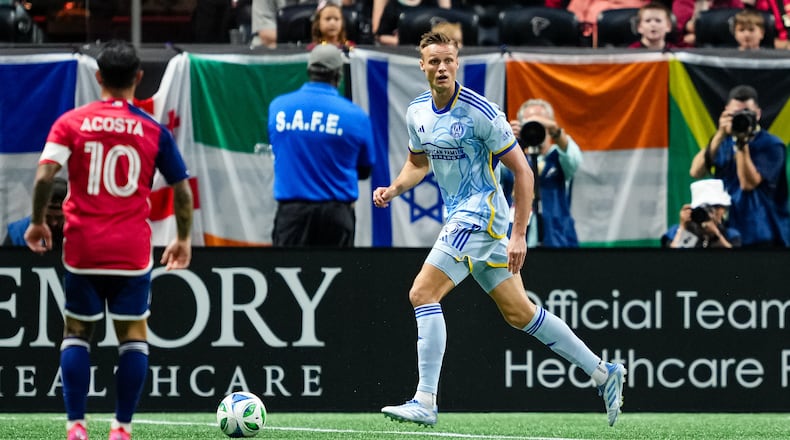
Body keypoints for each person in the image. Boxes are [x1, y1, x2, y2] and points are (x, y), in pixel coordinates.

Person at [374, 31, 626, 428]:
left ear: (458, 63)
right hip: (462, 215)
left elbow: (522, 171)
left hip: (482, 214)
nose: (442, 68)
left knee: (422, 292)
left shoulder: (480, 111)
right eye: (434, 62)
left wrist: (519, 233)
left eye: (448, 61)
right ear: (421, 66)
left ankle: (425, 400)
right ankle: (601, 372)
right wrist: (394, 188)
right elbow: (418, 164)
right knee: (519, 313)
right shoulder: (417, 111)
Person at [24, 40, 194, 440]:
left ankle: (76, 426)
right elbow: (182, 191)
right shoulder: (153, 130)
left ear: (99, 77)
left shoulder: (71, 122)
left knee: (77, 333)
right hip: (130, 249)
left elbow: (45, 177)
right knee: (133, 337)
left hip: (83, 247)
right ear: (138, 78)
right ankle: (121, 427)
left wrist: (37, 222)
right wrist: (183, 238)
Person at [268, 44, 376, 247]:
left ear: (309, 71)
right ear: (338, 75)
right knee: (337, 277)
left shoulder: (278, 108)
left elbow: (279, 151)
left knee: (287, 276)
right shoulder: (356, 116)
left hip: (292, 216)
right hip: (336, 217)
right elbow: (364, 169)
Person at [689, 84, 790, 247]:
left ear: (758, 114)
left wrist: (741, 142)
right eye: (736, 114)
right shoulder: (723, 142)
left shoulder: (772, 145)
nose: (741, 118)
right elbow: (695, 171)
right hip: (729, 229)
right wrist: (720, 134)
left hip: (763, 233)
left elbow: (748, 184)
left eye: (747, 113)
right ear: (726, 112)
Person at [502, 99, 582, 247]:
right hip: (514, 242)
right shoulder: (510, 160)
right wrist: (504, 140)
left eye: (540, 124)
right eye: (529, 124)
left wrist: (556, 131)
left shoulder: (558, 156)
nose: (535, 129)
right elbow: (490, 171)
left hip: (558, 239)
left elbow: (574, 160)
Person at [662, 179, 742, 248]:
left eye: (715, 207)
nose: (710, 213)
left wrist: (716, 235)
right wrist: (683, 228)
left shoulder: (731, 235)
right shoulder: (676, 232)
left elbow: (736, 261)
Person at [4, 177, 67, 247]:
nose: (53, 223)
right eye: (47, 217)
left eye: (59, 218)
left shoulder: (80, 233)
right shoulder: (18, 233)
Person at [375, 0, 451, 46]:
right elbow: (381, 35)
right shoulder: (393, 5)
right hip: (401, 52)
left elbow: (443, 27)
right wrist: (400, 41)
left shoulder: (431, 3)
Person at [672, 0, 743, 47]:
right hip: (693, 51)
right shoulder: (682, 2)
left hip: (728, 47)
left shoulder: (732, 1)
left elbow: (740, 22)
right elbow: (692, 27)